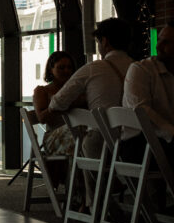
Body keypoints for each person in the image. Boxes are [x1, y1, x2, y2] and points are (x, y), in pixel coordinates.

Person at [49, 18, 135, 158]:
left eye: (98, 42)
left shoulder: (93, 68)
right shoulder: (139, 68)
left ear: (105, 41)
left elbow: (56, 104)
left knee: (82, 152)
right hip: (132, 145)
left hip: (101, 142)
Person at [122, 19, 174, 163]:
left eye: (167, 42)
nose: (158, 46)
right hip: (139, 144)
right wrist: (172, 133)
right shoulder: (141, 69)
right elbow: (141, 111)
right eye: (159, 40)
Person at [32, 50, 80, 156]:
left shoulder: (78, 90)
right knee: (80, 135)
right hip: (53, 138)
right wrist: (61, 104)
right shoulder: (42, 91)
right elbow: (41, 118)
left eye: (69, 67)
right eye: (61, 68)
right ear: (51, 69)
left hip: (75, 135)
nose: (66, 71)